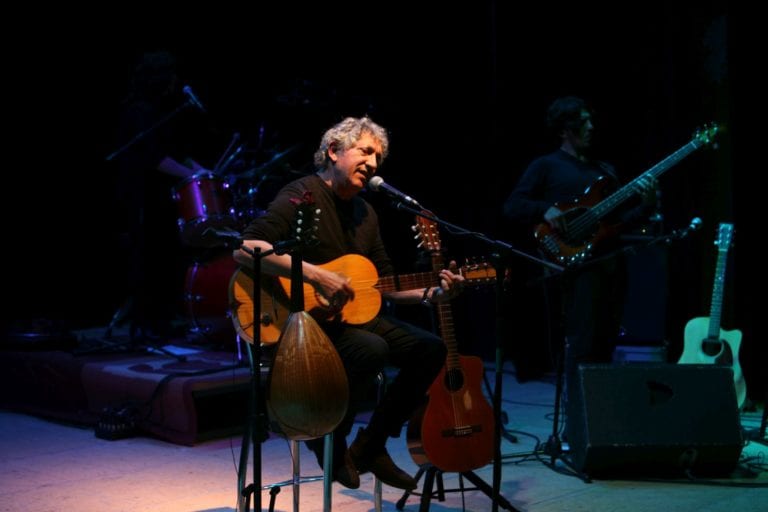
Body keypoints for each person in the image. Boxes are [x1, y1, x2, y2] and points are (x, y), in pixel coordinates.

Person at [234, 116, 465, 490]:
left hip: (345, 320)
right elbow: (246, 248)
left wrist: (433, 293)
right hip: (298, 322)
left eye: (378, 158)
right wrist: (315, 275)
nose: (373, 163)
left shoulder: (366, 214)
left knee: (430, 349)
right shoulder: (302, 193)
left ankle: (370, 446)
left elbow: (384, 283)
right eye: (365, 151)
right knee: (371, 349)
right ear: (333, 151)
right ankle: (328, 438)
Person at [502, 96, 657, 438]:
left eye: (590, 120)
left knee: (606, 346)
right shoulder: (546, 165)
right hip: (576, 270)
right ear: (565, 130)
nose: (591, 127)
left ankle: (600, 426)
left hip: (611, 265)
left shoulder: (605, 171)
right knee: (581, 346)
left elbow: (620, 224)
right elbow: (513, 206)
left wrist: (647, 205)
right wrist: (544, 210)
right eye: (583, 121)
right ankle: (576, 428)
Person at [112, 50, 210, 341]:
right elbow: (153, 158)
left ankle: (164, 319)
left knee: (166, 255)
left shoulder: (162, 111)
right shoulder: (139, 112)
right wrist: (190, 175)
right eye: (171, 76)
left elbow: (177, 153)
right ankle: (150, 323)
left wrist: (203, 172)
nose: (176, 82)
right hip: (143, 195)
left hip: (164, 196)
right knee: (149, 257)